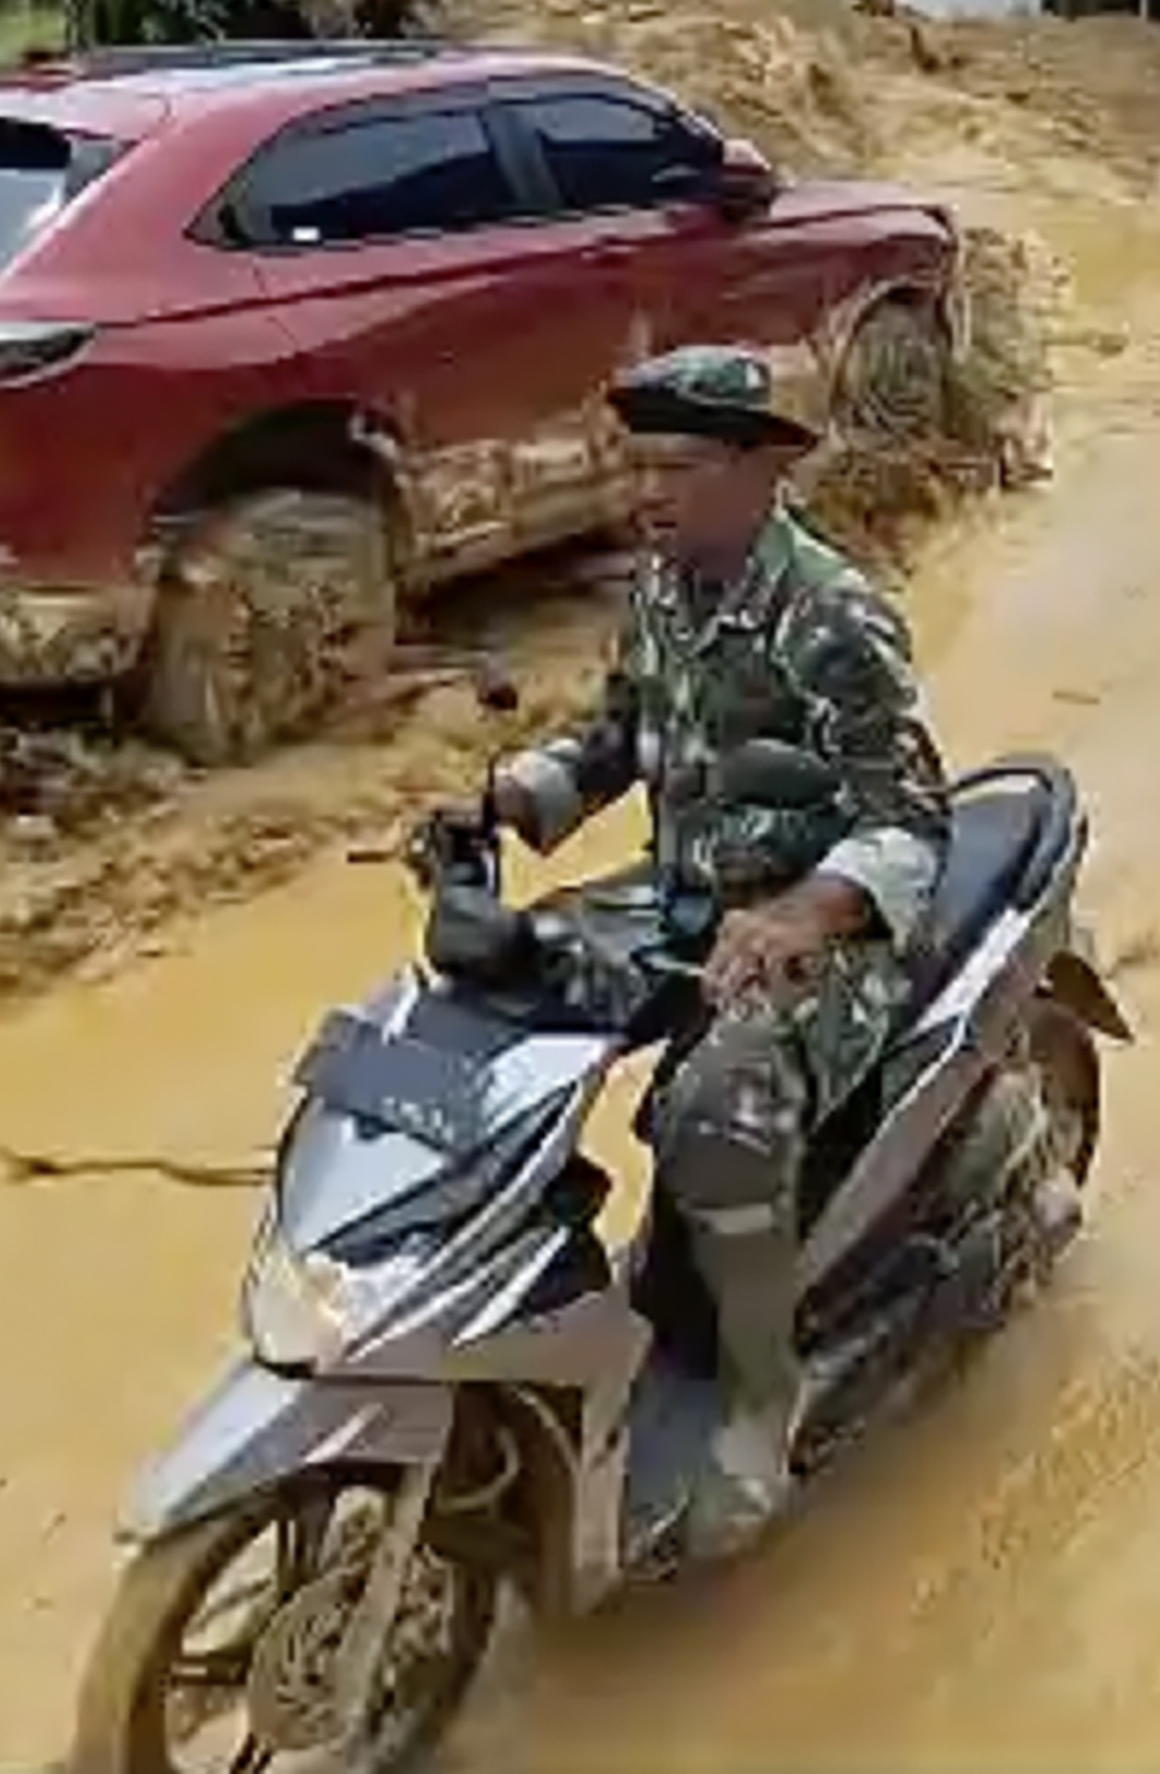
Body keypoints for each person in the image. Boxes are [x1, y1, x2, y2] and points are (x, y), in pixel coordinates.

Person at [461, 344, 951, 1557]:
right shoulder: (665, 586)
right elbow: (625, 733)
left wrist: (802, 917)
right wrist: (514, 797)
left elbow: (910, 815)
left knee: (717, 1112)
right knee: (484, 999)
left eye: (679, 465)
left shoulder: (831, 615)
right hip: (683, 903)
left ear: (758, 470)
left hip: (820, 930)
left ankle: (758, 1391)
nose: (650, 488)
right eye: (642, 463)